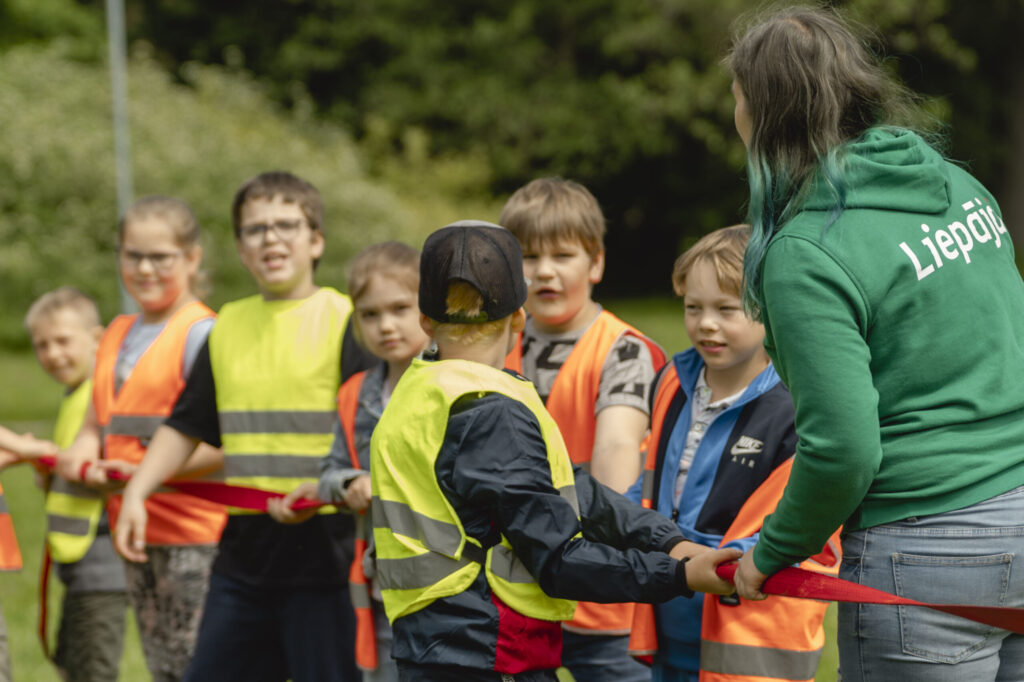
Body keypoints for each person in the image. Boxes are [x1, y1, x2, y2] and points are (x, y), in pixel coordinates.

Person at [725, 7, 1024, 681]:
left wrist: (768, 556)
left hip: (929, 547)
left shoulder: (806, 253)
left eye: (738, 96)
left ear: (764, 113)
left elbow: (843, 450)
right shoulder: (955, 183)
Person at [371, 220, 742, 682]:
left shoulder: (416, 391)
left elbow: (567, 487)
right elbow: (559, 560)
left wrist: (668, 541)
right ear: (519, 319)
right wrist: (678, 575)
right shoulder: (492, 411)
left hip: (430, 650)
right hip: (491, 653)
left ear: (425, 321)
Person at [114, 171, 374, 682]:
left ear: (315, 240)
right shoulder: (227, 324)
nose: (270, 238)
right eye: (255, 229)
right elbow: (186, 424)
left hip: (328, 558)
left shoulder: (348, 320)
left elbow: (371, 435)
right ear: (239, 248)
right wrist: (136, 493)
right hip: (242, 561)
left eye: (286, 225)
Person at [625, 226, 837, 682]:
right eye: (692, 307)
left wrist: (733, 561)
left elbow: (813, 521)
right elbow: (649, 477)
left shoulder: (797, 408)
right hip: (667, 609)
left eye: (726, 308)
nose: (706, 323)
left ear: (772, 312)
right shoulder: (672, 381)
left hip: (749, 631)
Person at [499, 178, 666, 681]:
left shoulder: (625, 351)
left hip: (603, 598)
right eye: (527, 257)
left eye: (562, 255)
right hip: (514, 597)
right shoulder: (487, 345)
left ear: (595, 263)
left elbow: (617, 451)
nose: (544, 271)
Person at [56, 196, 226, 682]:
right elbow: (97, 424)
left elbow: (224, 445)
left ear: (192, 259)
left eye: (160, 257)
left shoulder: (203, 333)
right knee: (162, 666)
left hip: (194, 533)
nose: (145, 268)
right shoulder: (116, 333)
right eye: (133, 255)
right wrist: (82, 457)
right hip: (134, 530)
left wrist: (147, 475)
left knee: (197, 666)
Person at [270, 241, 430, 682]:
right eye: (370, 315)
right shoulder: (355, 393)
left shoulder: (455, 384)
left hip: (454, 592)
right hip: (382, 587)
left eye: (401, 308)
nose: (387, 326)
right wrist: (348, 485)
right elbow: (329, 472)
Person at [25, 287, 129, 681]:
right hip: (77, 565)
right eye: (42, 345)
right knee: (71, 665)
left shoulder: (104, 397)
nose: (53, 354)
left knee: (91, 672)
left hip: (104, 565)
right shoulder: (74, 398)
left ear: (98, 338)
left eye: (63, 341)